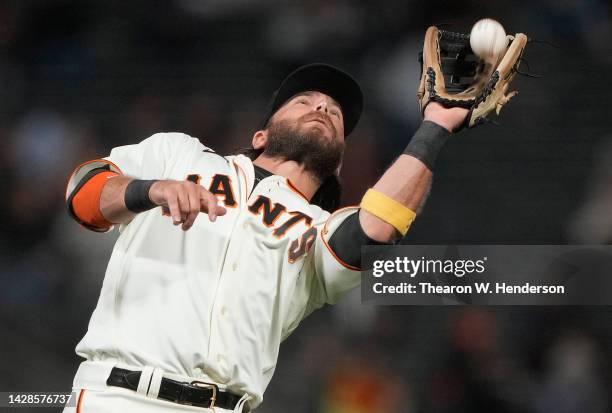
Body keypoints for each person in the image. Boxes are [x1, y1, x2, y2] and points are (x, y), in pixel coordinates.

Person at [63, 63, 468, 412]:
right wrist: (148, 189)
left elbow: (378, 227)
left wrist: (436, 125)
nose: (323, 107)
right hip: (116, 397)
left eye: (336, 113)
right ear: (261, 135)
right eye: (304, 101)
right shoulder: (180, 156)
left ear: (339, 161)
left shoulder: (318, 227)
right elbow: (83, 194)